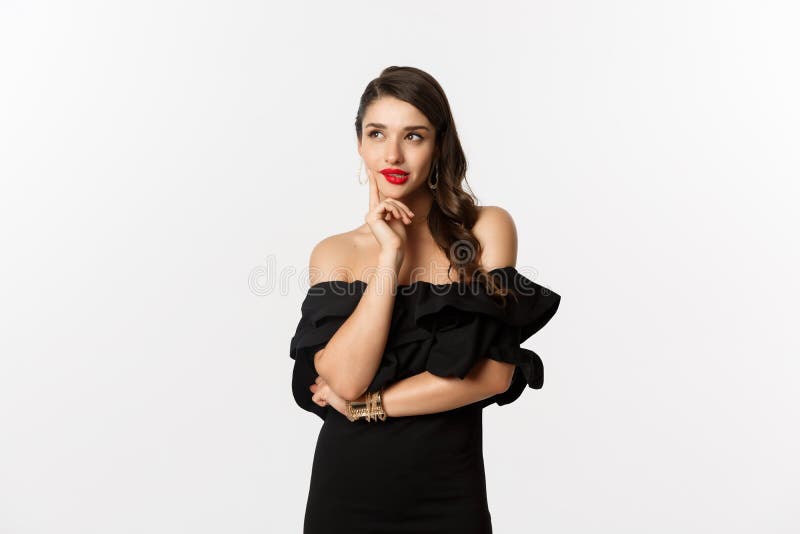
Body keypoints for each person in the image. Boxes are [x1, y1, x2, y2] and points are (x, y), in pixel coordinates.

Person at [289, 66, 562, 533]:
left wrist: (367, 408)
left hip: (448, 495)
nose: (392, 153)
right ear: (360, 144)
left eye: (413, 135)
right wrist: (390, 255)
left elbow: (492, 376)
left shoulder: (484, 229)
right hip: (347, 492)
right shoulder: (334, 252)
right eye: (377, 133)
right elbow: (344, 379)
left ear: (438, 145)